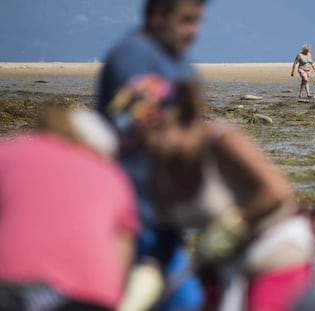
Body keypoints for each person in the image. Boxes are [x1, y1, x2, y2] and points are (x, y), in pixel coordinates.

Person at [140, 79, 315, 311]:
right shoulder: (160, 170)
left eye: (152, 132)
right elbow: (164, 235)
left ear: (174, 117)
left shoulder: (220, 141)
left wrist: (231, 225)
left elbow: (277, 192)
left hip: (276, 250)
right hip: (226, 266)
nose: (147, 143)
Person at [96, 1, 210, 311]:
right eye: (186, 21)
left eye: (198, 21)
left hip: (164, 222)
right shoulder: (133, 57)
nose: (194, 31)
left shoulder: (180, 63)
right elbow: (140, 133)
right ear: (159, 15)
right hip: (133, 217)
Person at [0, 108, 138, 311]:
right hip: (92, 296)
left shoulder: (9, 151)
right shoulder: (114, 176)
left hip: (11, 287)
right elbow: (121, 253)